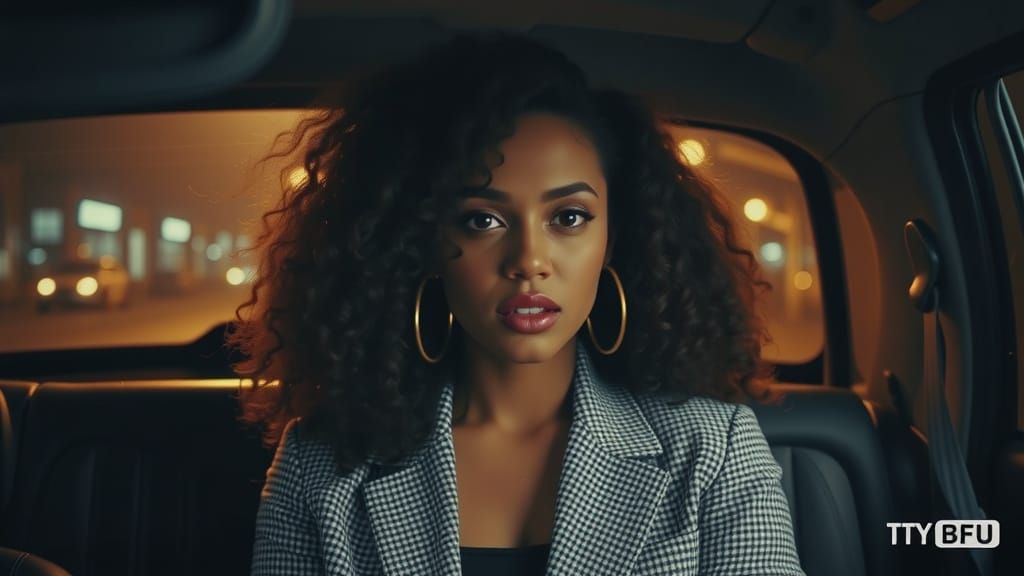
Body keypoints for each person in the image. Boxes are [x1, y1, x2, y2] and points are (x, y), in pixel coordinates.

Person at [230, 31, 804, 575]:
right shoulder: (319, 463)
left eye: (569, 217)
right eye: (482, 220)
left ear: (613, 240)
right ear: (423, 242)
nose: (529, 259)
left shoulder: (713, 449)